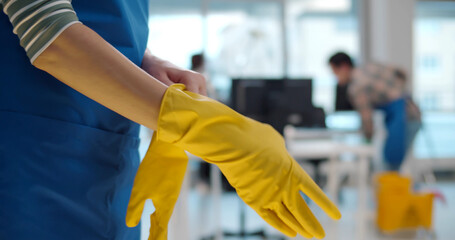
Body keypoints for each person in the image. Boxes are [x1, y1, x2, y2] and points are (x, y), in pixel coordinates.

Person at [0, 1, 341, 239]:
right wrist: (193, 123)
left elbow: (89, 14)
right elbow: (43, 25)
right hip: (32, 164)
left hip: (108, 159)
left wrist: (144, 61)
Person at [328, 52, 422, 171]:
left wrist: (366, 140)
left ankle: (395, 188)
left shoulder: (356, 87)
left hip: (405, 118)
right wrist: (397, 90)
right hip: (412, 111)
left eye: (335, 72)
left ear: (344, 67)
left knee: (391, 163)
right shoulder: (370, 67)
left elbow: (367, 120)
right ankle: (396, 186)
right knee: (394, 161)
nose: (335, 76)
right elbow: (402, 72)